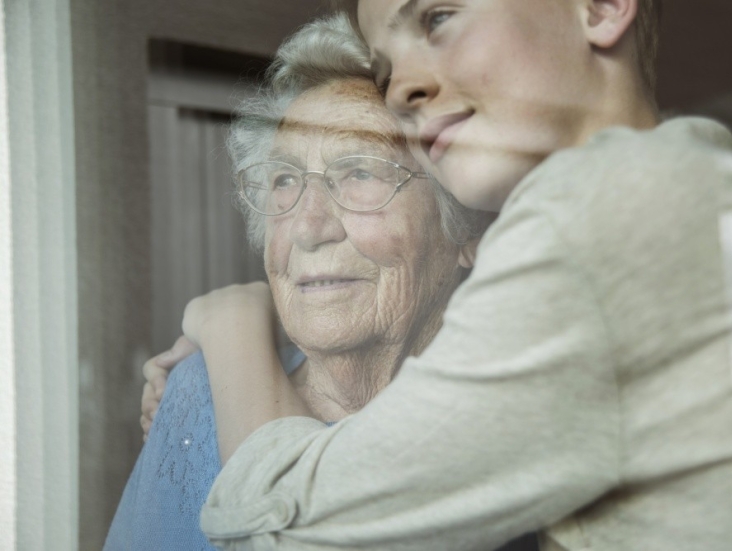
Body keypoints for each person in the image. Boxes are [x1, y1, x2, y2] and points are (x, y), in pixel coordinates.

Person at [165, 1, 732, 549]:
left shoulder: (600, 216)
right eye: (386, 66)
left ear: (598, 8)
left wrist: (227, 323)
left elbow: (280, 530)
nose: (402, 88)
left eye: (437, 18)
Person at [105, 13, 509, 550]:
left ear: (465, 221)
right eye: (285, 180)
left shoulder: (515, 417)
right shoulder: (198, 395)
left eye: (361, 172)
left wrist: (229, 319)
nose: (307, 227)